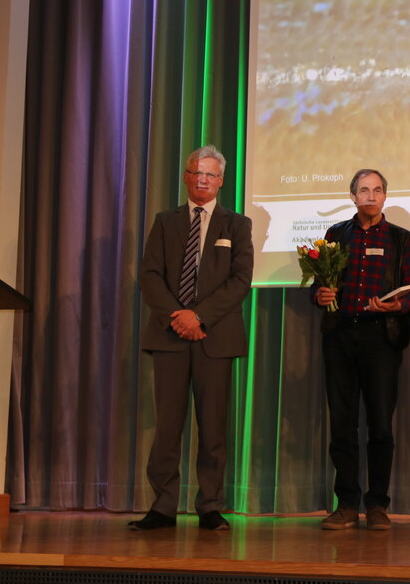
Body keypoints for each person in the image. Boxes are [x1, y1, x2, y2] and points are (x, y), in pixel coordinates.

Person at [130, 145, 254, 532]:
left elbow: (240, 281)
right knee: (167, 426)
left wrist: (198, 316)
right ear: (186, 176)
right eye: (196, 173)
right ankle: (163, 506)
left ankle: (210, 506)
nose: (202, 180)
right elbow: (150, 275)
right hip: (170, 335)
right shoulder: (165, 221)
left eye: (210, 175)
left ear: (221, 181)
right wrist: (178, 317)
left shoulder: (237, 224)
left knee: (213, 427)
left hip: (215, 337)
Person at [312, 169, 410, 531]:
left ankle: (377, 504)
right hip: (340, 336)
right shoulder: (335, 235)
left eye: (377, 190)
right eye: (364, 190)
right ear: (353, 196)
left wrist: (397, 307)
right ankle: (346, 503)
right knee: (342, 425)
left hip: (381, 339)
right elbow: (319, 284)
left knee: (380, 426)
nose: (371, 196)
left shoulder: (400, 238)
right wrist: (320, 294)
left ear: (385, 197)